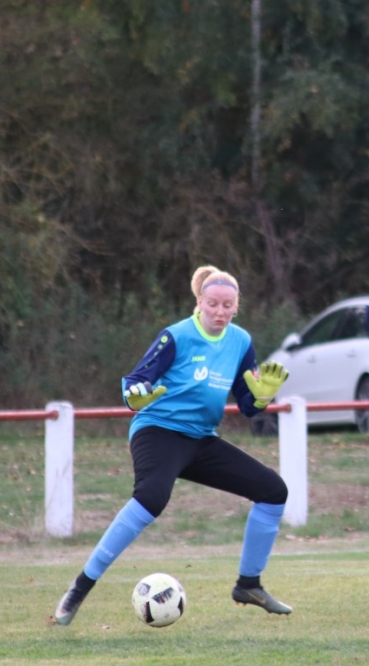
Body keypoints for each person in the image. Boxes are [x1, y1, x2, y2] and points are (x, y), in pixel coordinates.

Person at [52, 265, 294, 625]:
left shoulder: (241, 341)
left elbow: (246, 406)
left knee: (273, 491)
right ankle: (79, 588)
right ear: (200, 302)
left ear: (236, 306)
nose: (220, 311)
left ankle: (249, 585)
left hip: (201, 439)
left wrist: (262, 397)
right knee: (151, 497)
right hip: (158, 430)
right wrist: (135, 397)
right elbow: (136, 381)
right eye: (213, 304)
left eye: (228, 305)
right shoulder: (176, 336)